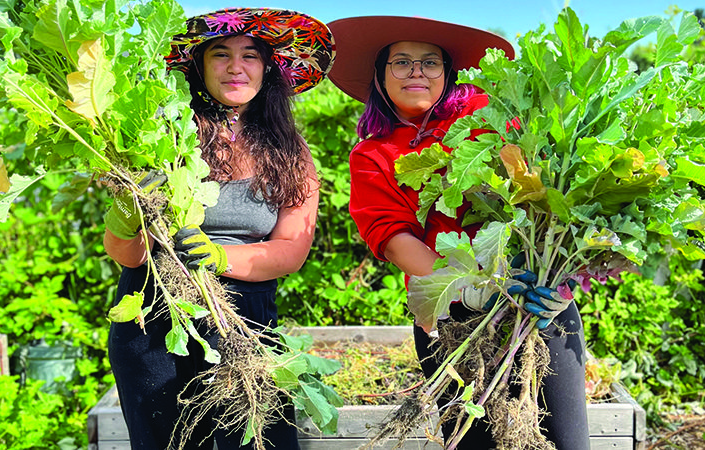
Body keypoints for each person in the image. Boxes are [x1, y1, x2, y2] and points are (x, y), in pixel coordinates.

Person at [326, 15, 590, 449]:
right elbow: (392, 238)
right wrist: (475, 287)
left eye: (430, 62)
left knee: (565, 441)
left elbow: (556, 196)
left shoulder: (490, 118)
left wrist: (562, 278)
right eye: (402, 62)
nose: (417, 72)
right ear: (380, 76)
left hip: (538, 304)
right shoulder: (372, 154)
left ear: (449, 74)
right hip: (453, 316)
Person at [102, 7, 334, 450]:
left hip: (246, 321)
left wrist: (222, 257)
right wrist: (129, 214)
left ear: (268, 68)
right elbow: (128, 254)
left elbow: (290, 248)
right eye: (220, 54)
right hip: (156, 318)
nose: (235, 66)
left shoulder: (290, 150)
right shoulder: (162, 137)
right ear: (198, 67)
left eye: (250, 55)